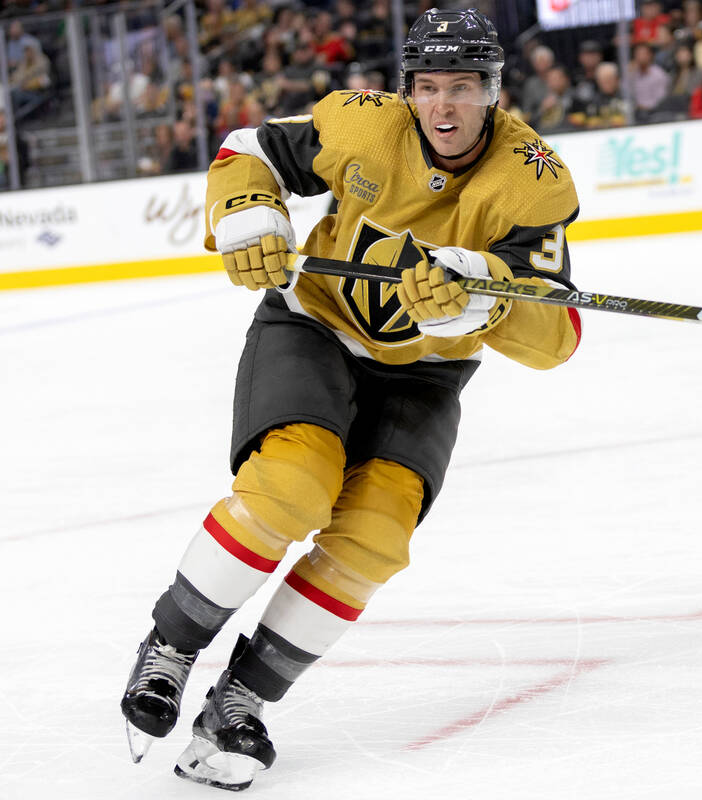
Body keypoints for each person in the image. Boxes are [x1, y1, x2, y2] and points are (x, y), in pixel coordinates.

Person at [119, 8, 582, 791]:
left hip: (426, 375)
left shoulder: (531, 178)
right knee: (291, 486)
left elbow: (558, 334)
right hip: (315, 331)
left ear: (493, 92)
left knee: (373, 537)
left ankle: (240, 702)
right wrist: (249, 212)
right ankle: (170, 646)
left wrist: (487, 295)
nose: (443, 106)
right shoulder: (363, 125)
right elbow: (248, 150)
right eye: (428, 87)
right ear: (406, 90)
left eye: (462, 87)